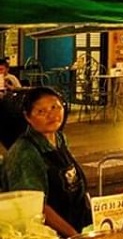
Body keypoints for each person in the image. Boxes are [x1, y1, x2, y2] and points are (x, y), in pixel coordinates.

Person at [3, 87, 90, 236]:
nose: (52, 115)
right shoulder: (25, 152)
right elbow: (36, 206)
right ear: (28, 117)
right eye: (41, 112)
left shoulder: (59, 138)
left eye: (55, 107)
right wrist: (74, 235)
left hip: (79, 224)